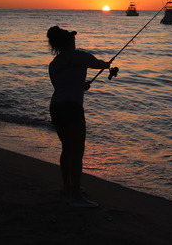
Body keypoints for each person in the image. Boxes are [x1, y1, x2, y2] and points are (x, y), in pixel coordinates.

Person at [46, 26, 110, 208]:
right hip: (72, 108)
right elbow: (101, 64)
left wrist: (80, 86)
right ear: (68, 41)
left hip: (56, 107)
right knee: (77, 151)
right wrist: (107, 65)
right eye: (72, 39)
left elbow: (60, 86)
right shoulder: (80, 56)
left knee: (67, 149)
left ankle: (68, 187)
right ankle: (75, 196)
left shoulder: (54, 64)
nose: (75, 41)